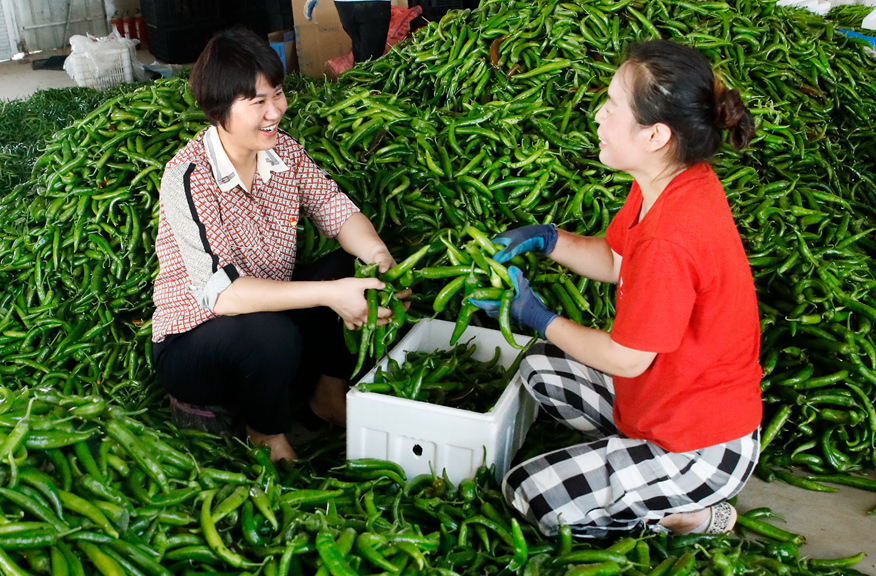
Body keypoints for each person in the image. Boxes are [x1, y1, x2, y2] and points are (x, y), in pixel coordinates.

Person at [472, 39, 760, 538]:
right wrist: (547, 239)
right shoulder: (668, 183)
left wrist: (536, 315)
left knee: (528, 493)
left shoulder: (672, 236)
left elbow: (627, 358)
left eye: (611, 107)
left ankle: (684, 513)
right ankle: (636, 468)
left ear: (655, 136)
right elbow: (614, 259)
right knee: (538, 366)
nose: (598, 117)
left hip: (702, 444)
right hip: (663, 400)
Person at [151, 27, 403, 462]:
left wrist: (378, 257)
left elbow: (336, 209)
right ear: (219, 110)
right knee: (272, 335)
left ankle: (328, 396)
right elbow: (224, 294)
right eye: (257, 102)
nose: (275, 112)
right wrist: (329, 296)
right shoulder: (189, 177)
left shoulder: (283, 152)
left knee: (348, 266)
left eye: (278, 94)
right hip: (193, 342)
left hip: (267, 313)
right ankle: (265, 432)